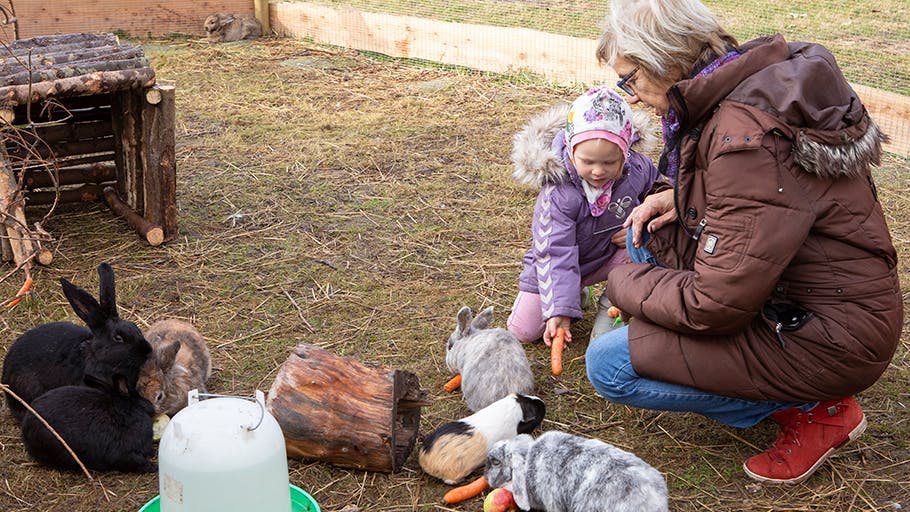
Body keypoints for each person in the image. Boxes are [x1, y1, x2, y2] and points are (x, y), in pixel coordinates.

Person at [585, 0, 902, 485]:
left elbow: (715, 303)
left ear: (666, 60)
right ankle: (708, 356)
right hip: (805, 297)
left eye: (630, 79)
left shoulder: (743, 137)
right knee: (649, 236)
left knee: (608, 366)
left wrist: (621, 282)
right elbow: (773, 203)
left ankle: (813, 408)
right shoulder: (751, 84)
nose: (630, 96)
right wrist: (680, 197)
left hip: (824, 334)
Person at [507, 85, 662, 346]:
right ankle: (573, 293)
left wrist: (642, 222)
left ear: (626, 153)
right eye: (588, 162)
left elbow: (660, 196)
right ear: (570, 149)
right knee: (521, 332)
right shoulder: (559, 193)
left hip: (608, 256)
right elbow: (555, 251)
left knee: (643, 248)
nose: (598, 171)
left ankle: (613, 302)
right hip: (560, 264)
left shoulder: (638, 169)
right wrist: (560, 309)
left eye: (610, 162)